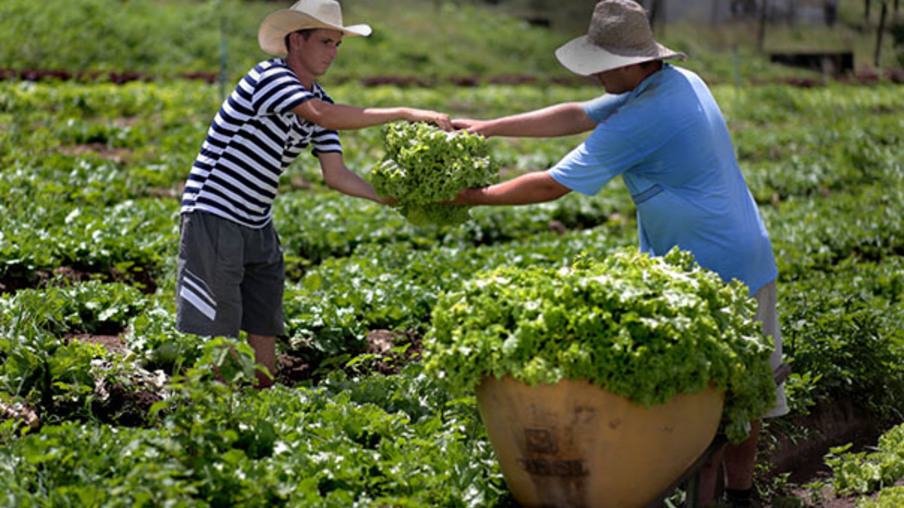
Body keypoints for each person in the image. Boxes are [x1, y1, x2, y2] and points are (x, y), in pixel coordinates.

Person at [450, 1, 788, 506]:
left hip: (724, 261)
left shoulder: (649, 112)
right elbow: (576, 115)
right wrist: (488, 126)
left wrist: (468, 196)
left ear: (634, 62)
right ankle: (720, 494)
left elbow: (551, 186)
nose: (595, 76)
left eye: (601, 65)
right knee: (714, 391)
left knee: (739, 392)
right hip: (706, 254)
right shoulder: (672, 81)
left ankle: (737, 497)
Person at [176, 0, 451, 389]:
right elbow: (321, 116)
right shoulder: (270, 78)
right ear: (295, 41)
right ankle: (221, 408)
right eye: (325, 42)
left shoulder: (320, 98)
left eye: (337, 44)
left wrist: (393, 198)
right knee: (221, 325)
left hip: (256, 219)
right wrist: (405, 111)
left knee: (263, 318)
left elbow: (336, 174)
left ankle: (261, 402)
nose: (332, 53)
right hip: (215, 210)